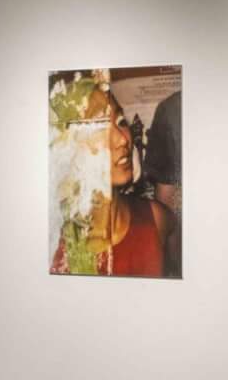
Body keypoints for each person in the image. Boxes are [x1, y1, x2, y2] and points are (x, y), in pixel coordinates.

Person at [52, 80, 179, 279]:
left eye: (120, 122)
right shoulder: (52, 246)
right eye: (99, 129)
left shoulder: (157, 220)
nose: (122, 139)